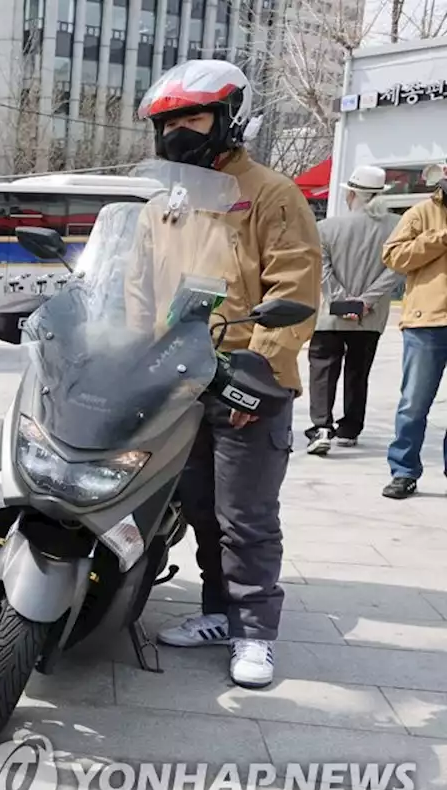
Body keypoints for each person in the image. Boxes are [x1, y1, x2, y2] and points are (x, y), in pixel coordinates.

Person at [129, 60, 321, 689]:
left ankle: (255, 630)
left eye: (194, 116)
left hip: (244, 380)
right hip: (177, 381)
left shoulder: (270, 193)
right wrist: (123, 357)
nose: (181, 130)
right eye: (170, 121)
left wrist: (260, 375)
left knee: (246, 515)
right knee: (200, 507)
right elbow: (135, 293)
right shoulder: (163, 204)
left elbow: (295, 285)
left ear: (228, 118)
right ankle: (219, 612)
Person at [305, 165, 403, 456]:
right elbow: (396, 269)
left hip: (330, 316)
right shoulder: (398, 227)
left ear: (352, 194)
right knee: (358, 372)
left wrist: (343, 301)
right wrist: (365, 302)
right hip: (369, 318)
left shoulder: (326, 228)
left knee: (323, 369)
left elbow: (322, 270)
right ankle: (350, 428)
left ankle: (321, 427)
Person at [379, 165, 447, 499]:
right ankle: (404, 470)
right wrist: (441, 238)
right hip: (427, 323)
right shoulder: (422, 213)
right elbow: (393, 256)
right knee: (413, 404)